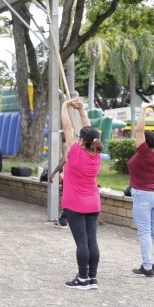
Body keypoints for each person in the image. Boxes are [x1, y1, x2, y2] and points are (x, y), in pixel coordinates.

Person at [60, 98, 103, 290]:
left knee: (82, 242)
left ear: (80, 140)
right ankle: (92, 278)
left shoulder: (75, 151)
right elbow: (89, 130)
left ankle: (82, 278)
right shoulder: (96, 153)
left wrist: (65, 106)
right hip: (93, 203)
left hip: (75, 204)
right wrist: (81, 110)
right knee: (91, 240)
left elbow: (66, 126)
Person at [129, 103, 154, 277]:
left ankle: (147, 267)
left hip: (143, 196)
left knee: (145, 232)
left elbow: (138, 130)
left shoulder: (144, 152)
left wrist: (143, 110)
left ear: (145, 142)